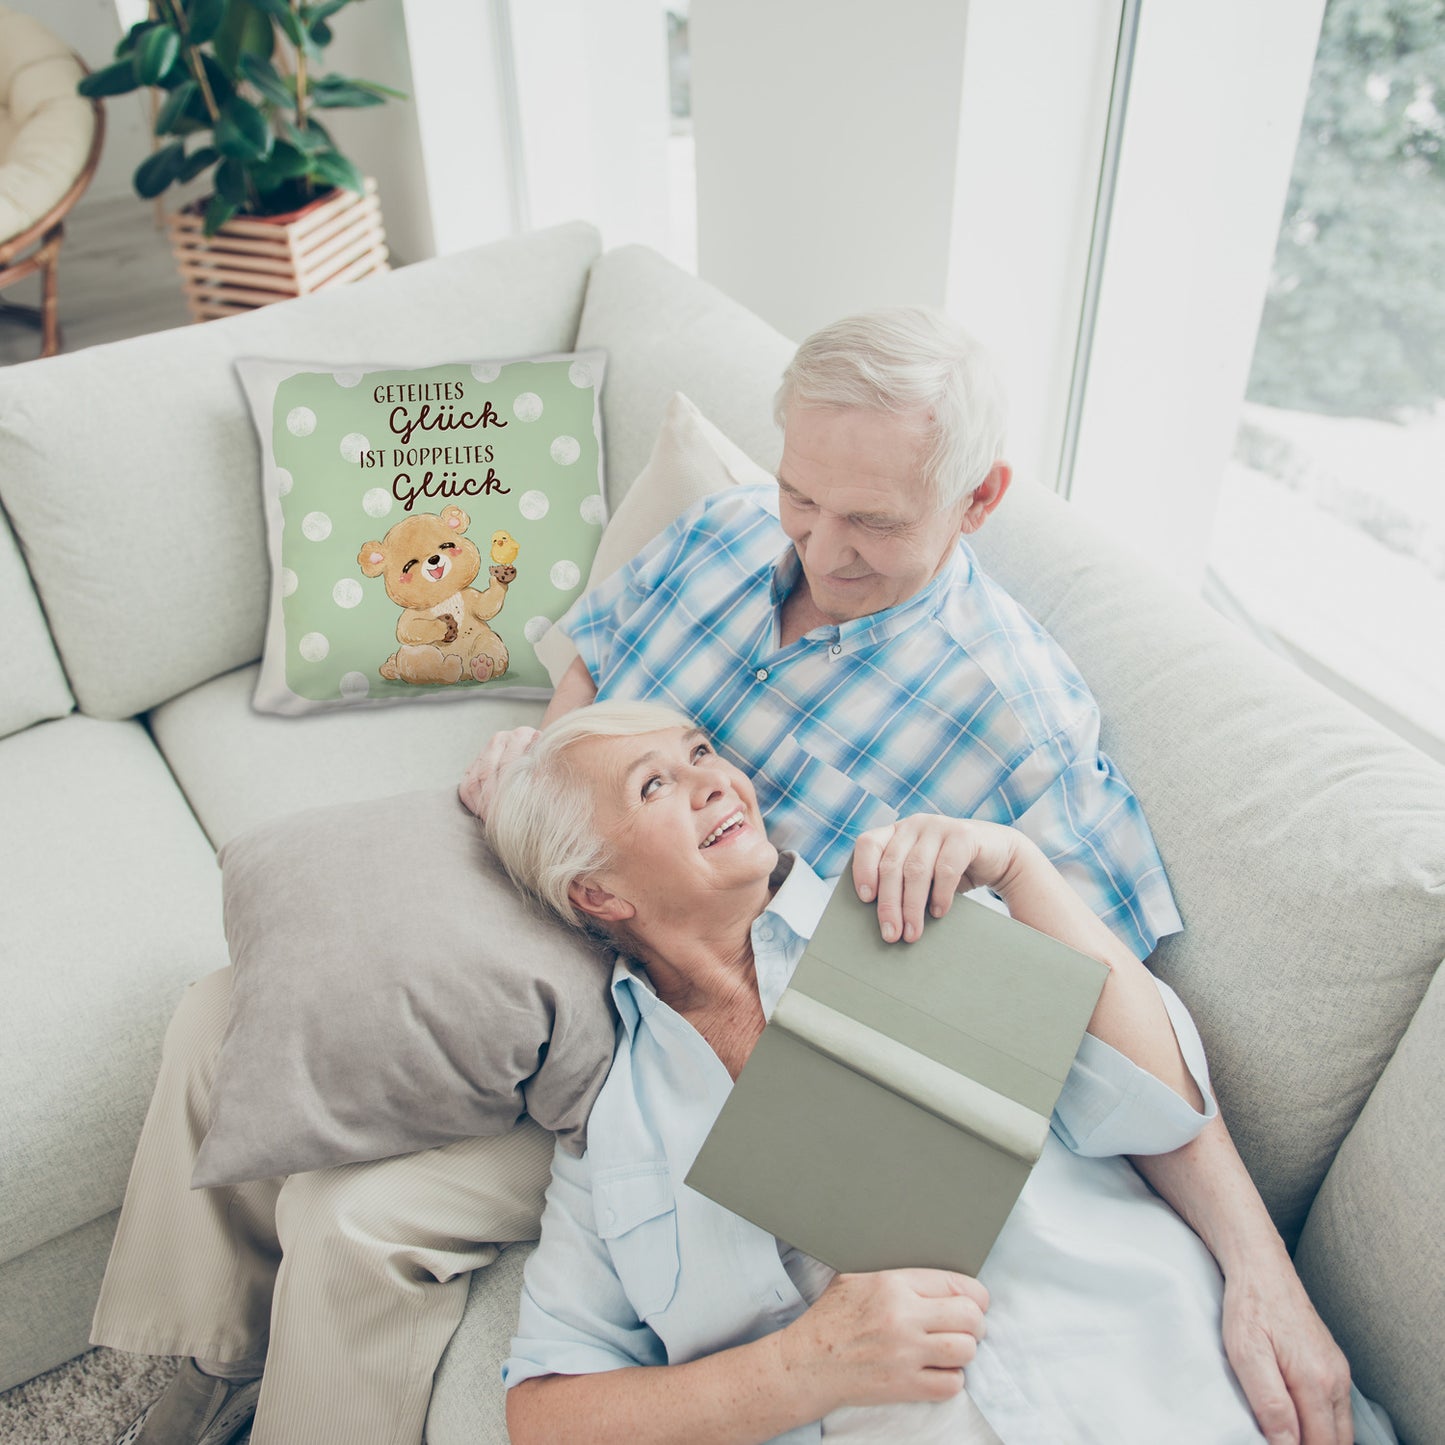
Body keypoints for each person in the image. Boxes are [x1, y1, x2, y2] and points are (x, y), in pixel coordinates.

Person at [94, 309, 1348, 1445]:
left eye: (871, 520)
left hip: (692, 1013)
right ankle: (192, 1363)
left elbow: (1104, 1021)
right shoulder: (724, 532)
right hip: (580, 888)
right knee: (228, 1007)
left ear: (976, 501)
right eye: (804, 495)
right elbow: (593, 670)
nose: (818, 545)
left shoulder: (1016, 724)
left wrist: (1260, 1266)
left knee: (354, 1218)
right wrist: (544, 764)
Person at [487, 701, 1384, 1445]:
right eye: (655, 784)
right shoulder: (614, 1132)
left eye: (700, 752)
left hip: (1175, 1392)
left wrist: (1021, 868)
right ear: (597, 893)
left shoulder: (909, 907)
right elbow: (545, 1412)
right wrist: (803, 1367)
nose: (715, 779)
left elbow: (1158, 1106)